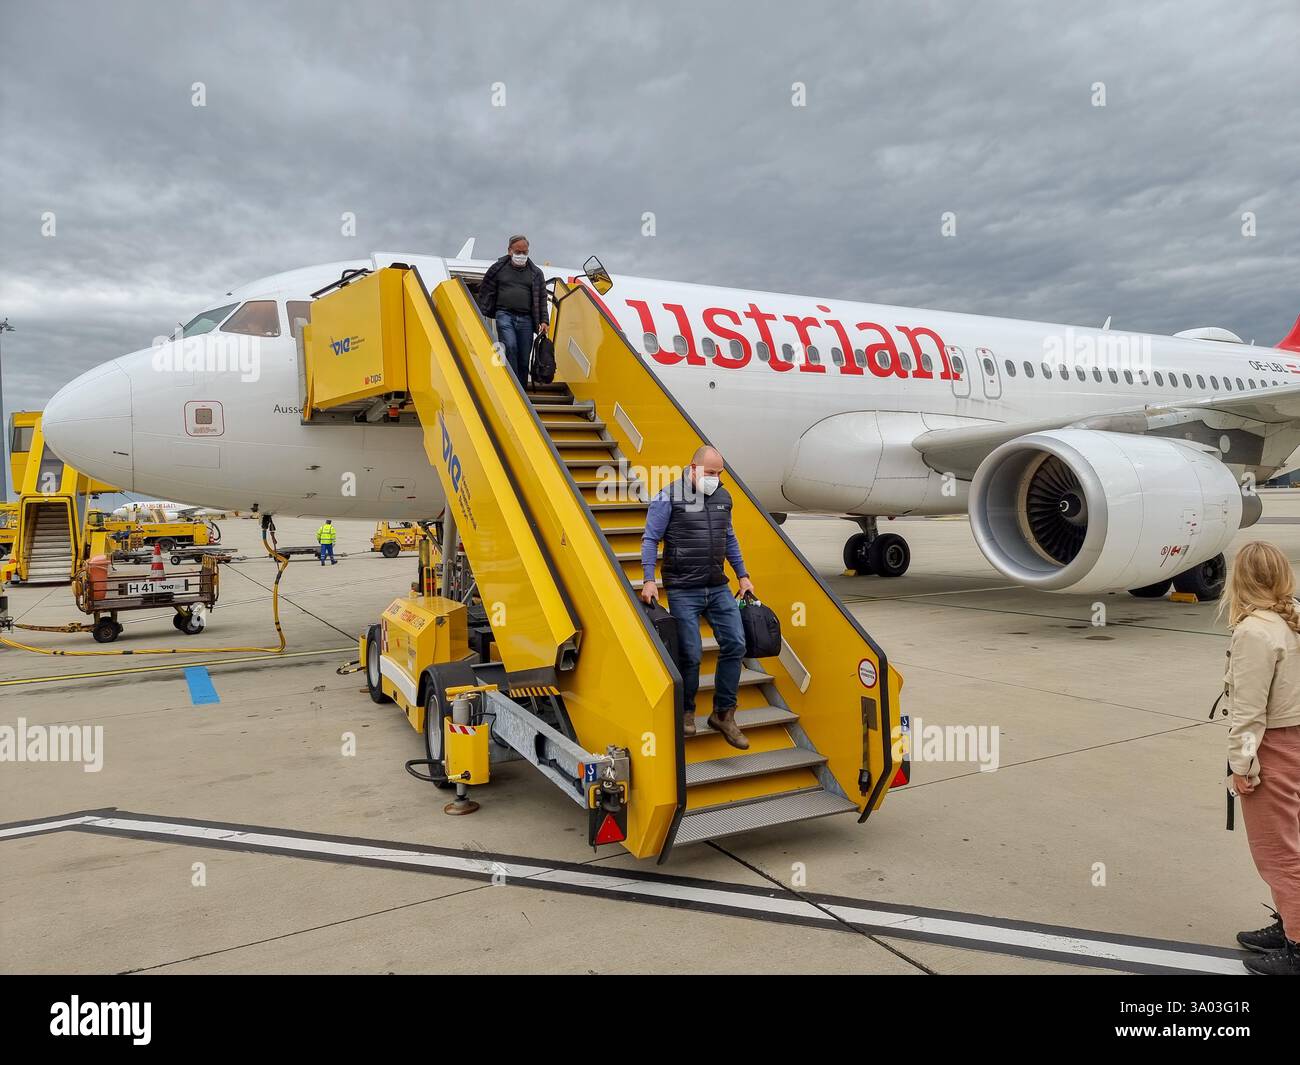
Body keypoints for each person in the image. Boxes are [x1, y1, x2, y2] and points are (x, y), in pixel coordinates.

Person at [639, 446, 754, 749]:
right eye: (709, 473)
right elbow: (650, 538)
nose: (714, 479)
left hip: (717, 587)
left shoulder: (723, 498)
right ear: (692, 468)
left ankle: (723, 714)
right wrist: (649, 580)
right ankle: (687, 711)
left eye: (718, 474)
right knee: (691, 653)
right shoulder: (668, 496)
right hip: (682, 589)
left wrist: (742, 574)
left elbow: (729, 537)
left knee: (736, 644)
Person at [1222, 541, 1300, 975]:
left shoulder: (1255, 631)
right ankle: (1291, 922)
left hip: (1274, 746)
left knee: (1278, 853)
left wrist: (1242, 766)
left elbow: (1249, 713)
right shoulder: (1295, 615)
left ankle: (1298, 945)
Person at [475, 235, 549, 385]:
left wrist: (544, 320)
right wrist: (483, 310)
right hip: (504, 314)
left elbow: (542, 298)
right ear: (510, 251)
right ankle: (512, 385)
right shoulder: (498, 269)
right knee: (510, 346)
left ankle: (521, 389)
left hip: (527, 319)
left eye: (525, 252)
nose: (521, 255)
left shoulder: (536, 273)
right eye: (518, 251)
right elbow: (485, 290)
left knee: (524, 357)